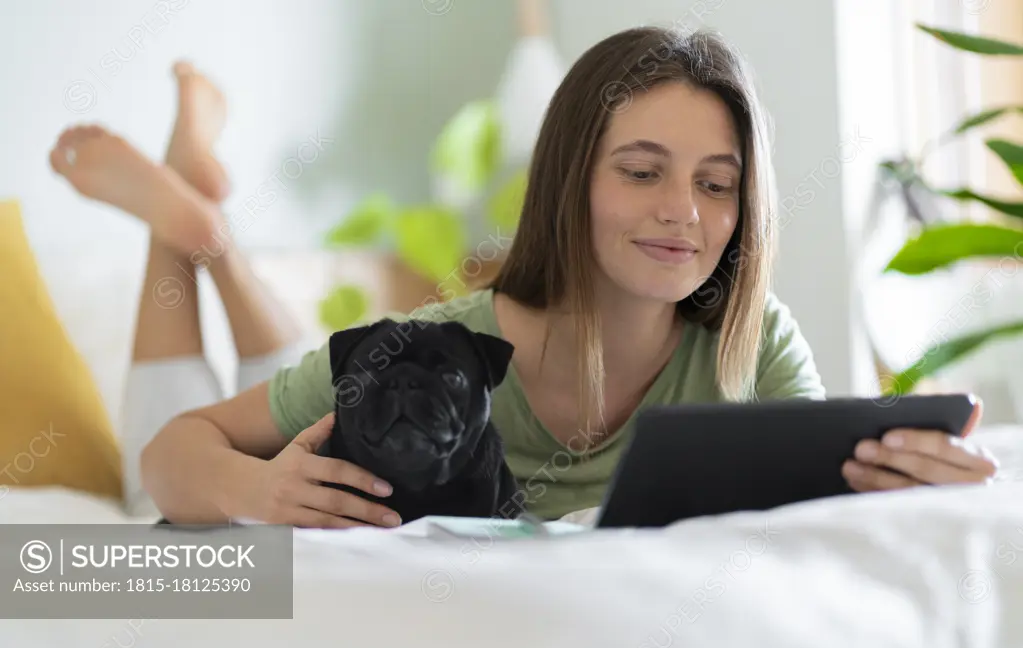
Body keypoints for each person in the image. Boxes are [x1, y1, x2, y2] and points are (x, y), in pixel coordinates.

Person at [66, 27, 999, 528]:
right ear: (570, 182)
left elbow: (816, 486)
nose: (684, 210)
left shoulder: (753, 345)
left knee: (277, 365)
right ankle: (198, 239)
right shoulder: (436, 348)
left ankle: (203, 220)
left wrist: (893, 481)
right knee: (165, 480)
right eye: (641, 172)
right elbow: (172, 456)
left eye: (717, 185)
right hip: (271, 449)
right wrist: (250, 492)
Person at [49, 63, 309, 517]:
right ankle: (209, 233)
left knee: (167, 492)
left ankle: (207, 230)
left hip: (212, 508)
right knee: (310, 433)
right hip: (293, 514)